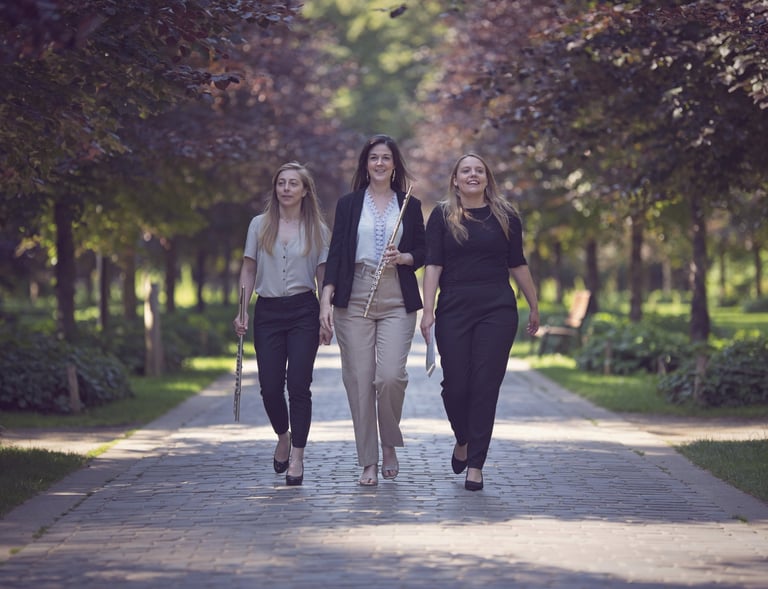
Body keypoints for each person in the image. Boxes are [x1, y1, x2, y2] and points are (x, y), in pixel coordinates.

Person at [419, 153, 539, 491]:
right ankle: (463, 440)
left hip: (497, 307)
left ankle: (476, 464)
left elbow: (517, 262)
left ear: (488, 178)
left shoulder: (506, 216)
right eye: (465, 170)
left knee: (486, 385)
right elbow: (433, 265)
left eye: (479, 170)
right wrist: (428, 311)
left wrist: (534, 305)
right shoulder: (443, 215)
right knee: (456, 386)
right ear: (455, 180)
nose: (473, 175)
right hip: (454, 305)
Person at [320, 134, 425, 486]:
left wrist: (405, 256)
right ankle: (369, 460)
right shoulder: (349, 205)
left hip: (397, 293)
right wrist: (326, 301)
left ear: (395, 165)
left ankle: (389, 441)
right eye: (373, 158)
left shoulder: (410, 204)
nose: (379, 164)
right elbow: (336, 254)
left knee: (390, 377)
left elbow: (423, 253)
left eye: (386, 158)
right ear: (366, 164)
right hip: (355, 293)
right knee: (360, 381)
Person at [233, 161, 332, 487]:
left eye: (293, 183)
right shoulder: (259, 225)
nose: (286, 188)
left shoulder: (318, 229)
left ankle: (298, 458)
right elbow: (248, 269)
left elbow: (322, 275)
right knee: (270, 387)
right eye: (281, 183)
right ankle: (283, 435)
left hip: (304, 310)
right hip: (269, 312)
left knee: (299, 385)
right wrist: (242, 310)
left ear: (305, 191)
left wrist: (324, 314)